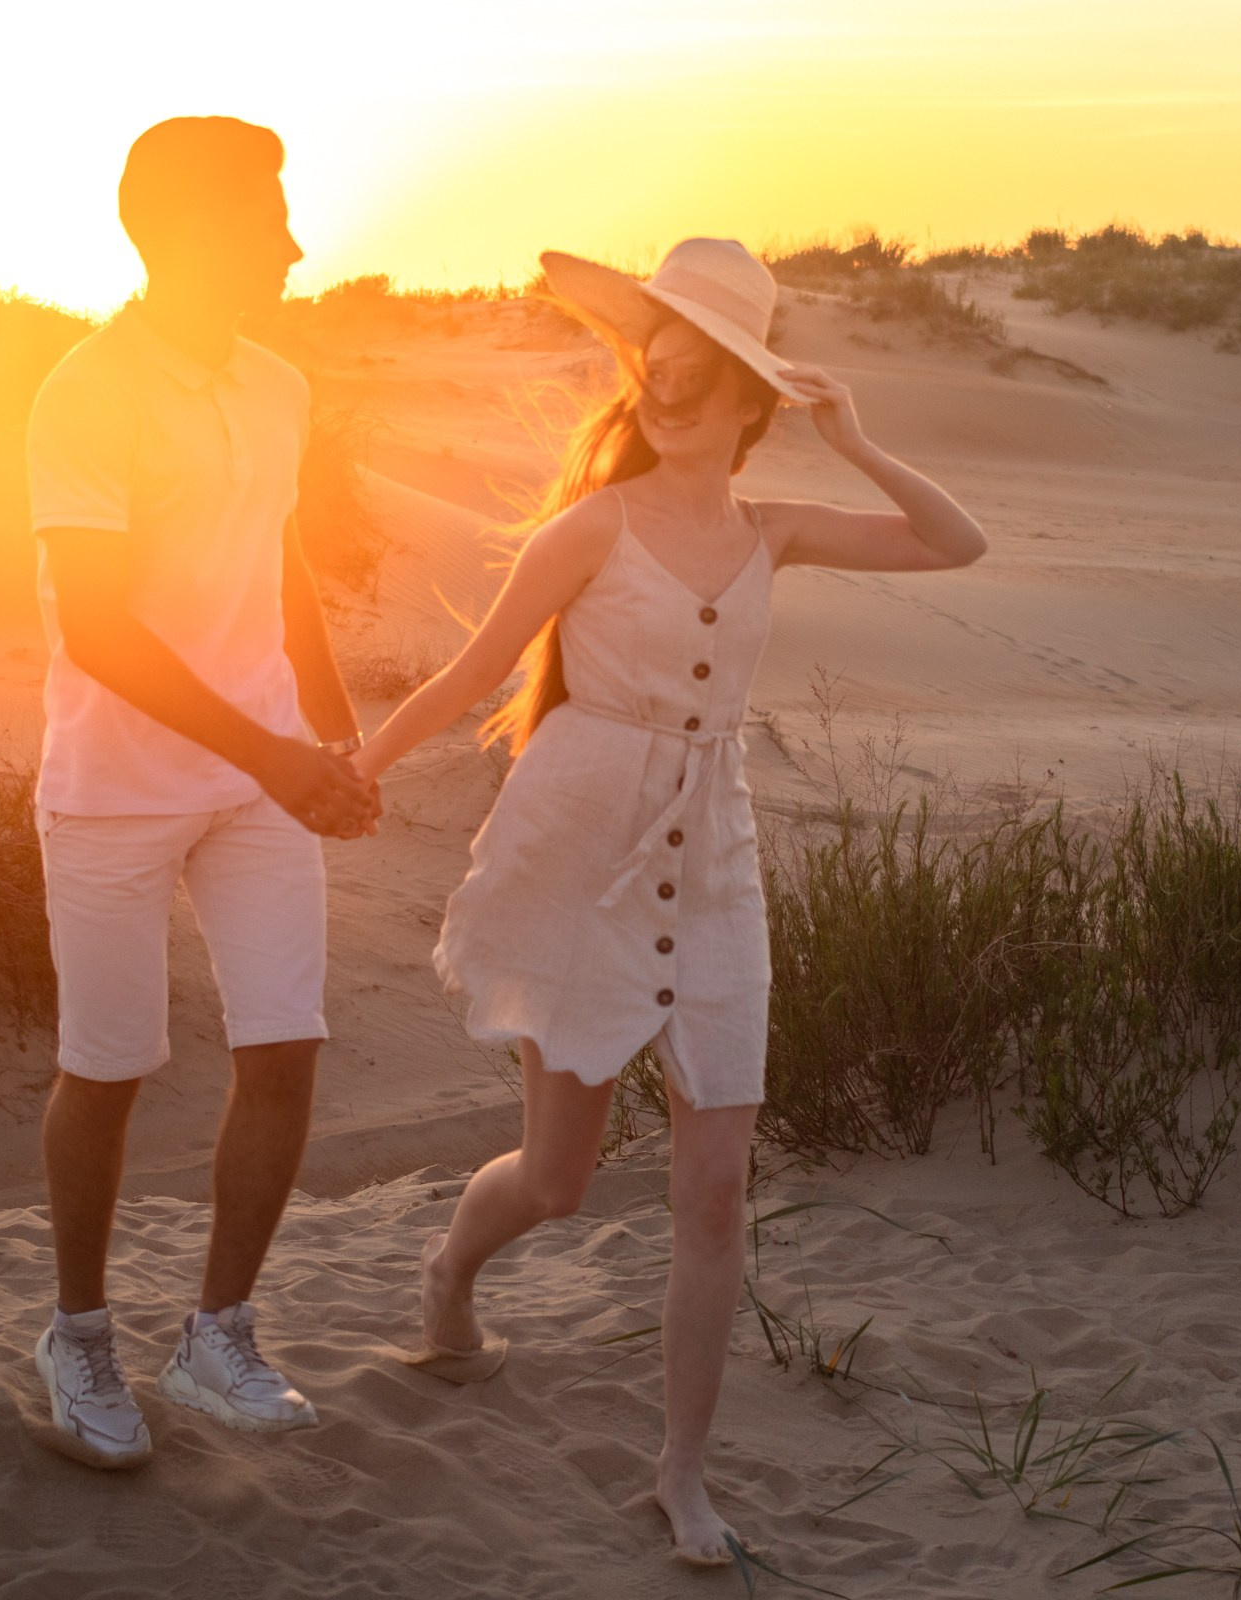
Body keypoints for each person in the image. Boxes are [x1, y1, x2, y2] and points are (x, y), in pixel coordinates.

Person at [353, 238, 987, 1562]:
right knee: (562, 1179)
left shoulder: (775, 531)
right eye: (655, 362)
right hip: (581, 853)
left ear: (750, 400)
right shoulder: (591, 527)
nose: (665, 387)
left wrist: (857, 436)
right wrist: (354, 763)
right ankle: (450, 1271)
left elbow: (956, 541)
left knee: (714, 1192)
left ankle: (682, 1475)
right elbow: (474, 671)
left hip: (716, 866)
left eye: (698, 371)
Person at [26, 116, 379, 1469]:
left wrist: (328, 722)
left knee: (283, 1050)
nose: (293, 243)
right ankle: (78, 1336)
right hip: (115, 785)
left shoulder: (277, 386)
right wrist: (271, 749)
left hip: (260, 782)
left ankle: (216, 1335)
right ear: (183, 233)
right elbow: (101, 631)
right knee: (107, 1070)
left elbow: (279, 564)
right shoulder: (84, 391)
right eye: (266, 218)